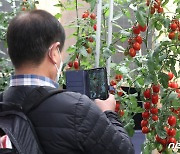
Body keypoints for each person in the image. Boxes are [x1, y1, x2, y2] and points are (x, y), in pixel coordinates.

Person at [3, 9, 135, 154]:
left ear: (10, 52)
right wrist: (109, 112)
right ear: (54, 52)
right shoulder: (78, 109)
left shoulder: (3, 104)